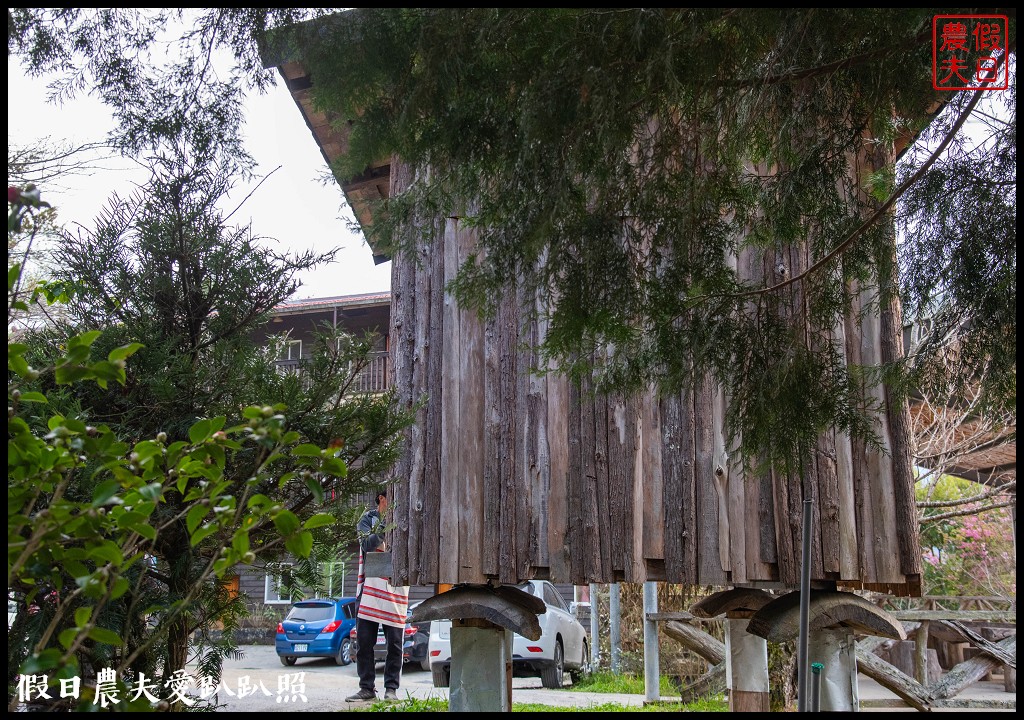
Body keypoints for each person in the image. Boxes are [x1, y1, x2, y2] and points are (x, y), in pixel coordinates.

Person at [346, 489, 409, 703]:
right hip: (369, 587)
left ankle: (391, 689)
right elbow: (366, 544)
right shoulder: (368, 519)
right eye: (392, 499)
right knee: (364, 641)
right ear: (382, 499)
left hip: (395, 586)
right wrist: (385, 524)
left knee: (395, 644)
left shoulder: (406, 519)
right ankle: (366, 688)